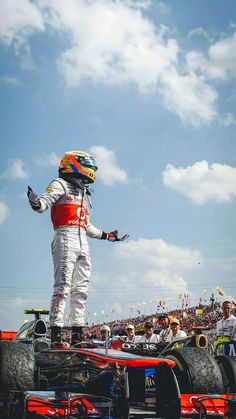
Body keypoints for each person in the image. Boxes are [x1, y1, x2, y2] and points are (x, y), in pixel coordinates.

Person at [27, 150, 129, 348]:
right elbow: (43, 204)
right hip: (65, 236)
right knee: (63, 286)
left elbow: (86, 225)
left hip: (82, 239)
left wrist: (107, 236)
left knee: (81, 289)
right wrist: (35, 202)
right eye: (88, 165)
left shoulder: (83, 192)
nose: (91, 170)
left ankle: (77, 334)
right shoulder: (60, 184)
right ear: (74, 164)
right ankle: (56, 333)